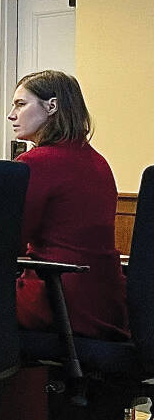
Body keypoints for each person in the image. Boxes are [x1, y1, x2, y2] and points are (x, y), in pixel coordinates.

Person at [10, 70, 128, 341]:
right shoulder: (98, 162)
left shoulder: (35, 163)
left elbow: (8, 241)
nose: (11, 115)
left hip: (58, 302)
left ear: (51, 106)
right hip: (105, 304)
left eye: (20, 104)